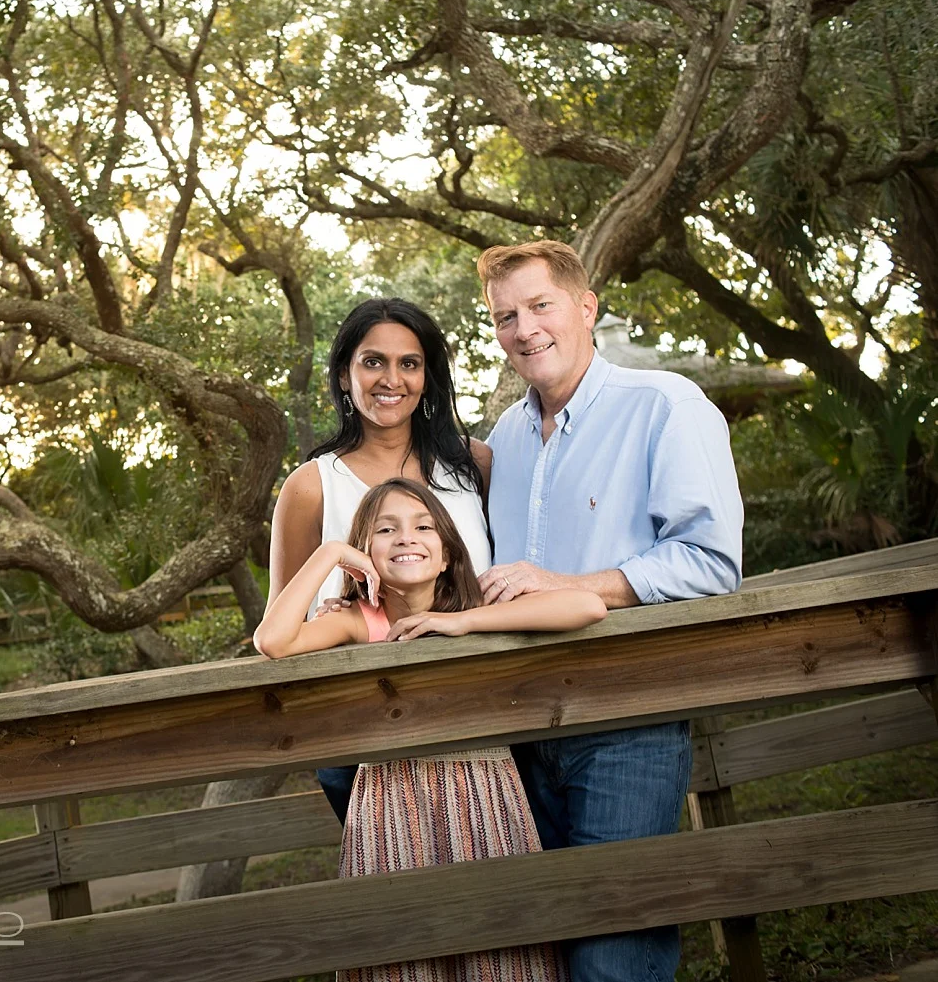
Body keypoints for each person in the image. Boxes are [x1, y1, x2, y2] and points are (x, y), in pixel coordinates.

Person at [389, 240, 742, 982]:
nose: (524, 329)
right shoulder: (506, 439)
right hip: (519, 727)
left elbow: (711, 562)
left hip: (626, 722)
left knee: (613, 961)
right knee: (538, 951)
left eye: (540, 305)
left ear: (586, 307)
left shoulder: (666, 405)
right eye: (504, 316)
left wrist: (571, 582)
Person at [256, 477, 605, 982]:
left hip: (485, 795)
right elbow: (273, 640)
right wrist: (333, 552)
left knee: (499, 953)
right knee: (404, 952)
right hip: (389, 805)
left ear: (445, 554)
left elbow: (587, 607)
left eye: (423, 527)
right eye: (385, 530)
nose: (406, 538)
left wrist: (463, 625)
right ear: (366, 554)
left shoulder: (475, 608)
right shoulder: (361, 621)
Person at [268, 298, 491, 824]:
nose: (391, 379)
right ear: (345, 376)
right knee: (394, 890)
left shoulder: (474, 464)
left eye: (409, 363)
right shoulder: (311, 485)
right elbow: (282, 623)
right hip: (359, 735)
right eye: (373, 362)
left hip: (483, 719)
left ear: (427, 376)